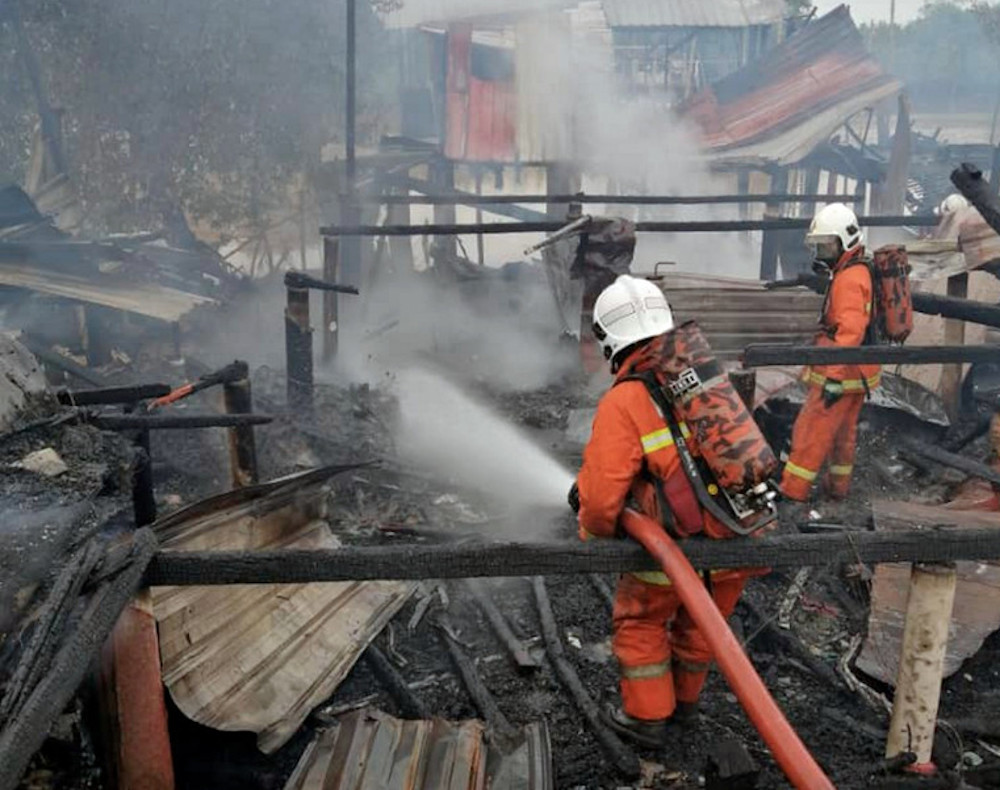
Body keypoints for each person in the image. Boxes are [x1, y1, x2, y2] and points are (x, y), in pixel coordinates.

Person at [570, 274, 758, 748]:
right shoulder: (704, 376)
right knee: (701, 627)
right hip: (741, 532)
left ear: (610, 336)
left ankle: (648, 717)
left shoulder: (626, 398)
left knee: (642, 622)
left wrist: (594, 534)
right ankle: (686, 705)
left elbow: (601, 494)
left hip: (678, 545)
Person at [780, 203, 880, 502]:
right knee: (842, 436)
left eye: (826, 245)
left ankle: (792, 493)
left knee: (811, 431)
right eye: (819, 246)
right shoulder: (858, 270)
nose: (821, 253)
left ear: (845, 240)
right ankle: (837, 489)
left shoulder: (849, 279)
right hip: (858, 373)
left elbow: (849, 332)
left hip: (840, 373)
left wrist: (834, 377)